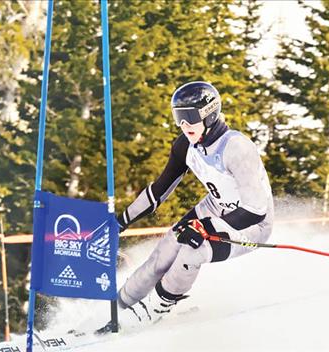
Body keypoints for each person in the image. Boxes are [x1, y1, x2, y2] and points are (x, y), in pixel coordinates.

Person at [98, 81, 273, 333]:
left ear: (209, 113)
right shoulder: (185, 146)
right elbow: (159, 190)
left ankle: (152, 310)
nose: (184, 125)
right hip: (213, 209)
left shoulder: (236, 147)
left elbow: (256, 210)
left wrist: (205, 227)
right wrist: (121, 221)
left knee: (193, 251)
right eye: (179, 117)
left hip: (252, 225)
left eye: (189, 117)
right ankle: (116, 310)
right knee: (163, 253)